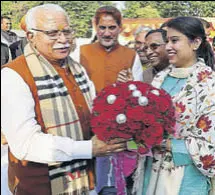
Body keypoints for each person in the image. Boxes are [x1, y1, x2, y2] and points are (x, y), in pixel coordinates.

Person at [1, 4, 127, 195]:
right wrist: (89, 148)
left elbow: (93, 113)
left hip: (85, 180)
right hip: (41, 186)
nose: (63, 39)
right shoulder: (14, 75)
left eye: (67, 31)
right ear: (31, 37)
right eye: (52, 33)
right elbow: (25, 145)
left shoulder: (76, 69)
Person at [133, 16, 215, 195]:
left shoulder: (208, 85)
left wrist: (166, 143)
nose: (168, 46)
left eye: (175, 40)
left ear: (195, 43)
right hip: (150, 174)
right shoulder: (160, 78)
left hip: (186, 181)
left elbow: (210, 147)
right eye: (167, 40)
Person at [80, 6, 143, 195]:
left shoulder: (131, 56)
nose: (107, 33)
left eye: (112, 27)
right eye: (102, 28)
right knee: (87, 177)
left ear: (120, 28)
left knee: (115, 180)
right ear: (95, 27)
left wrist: (130, 85)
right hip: (86, 125)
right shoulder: (81, 53)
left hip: (119, 128)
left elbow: (139, 95)